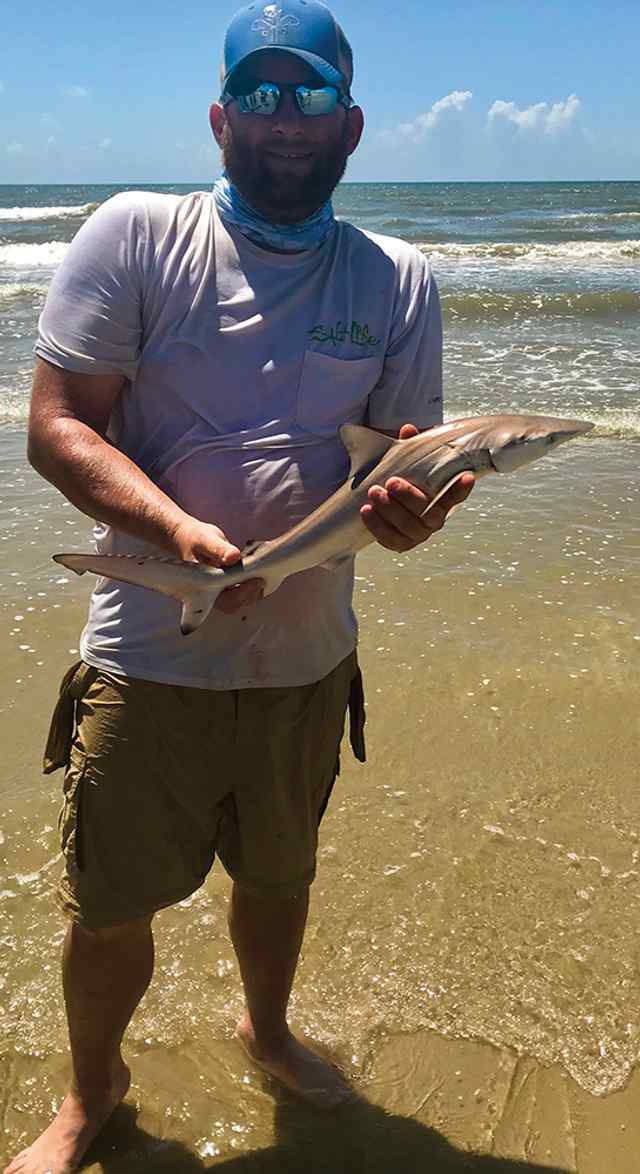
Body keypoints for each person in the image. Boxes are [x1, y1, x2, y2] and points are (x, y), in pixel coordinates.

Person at [6, 2, 473, 1171]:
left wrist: (408, 520)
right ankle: (91, 1092)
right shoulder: (135, 236)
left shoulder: (398, 278)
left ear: (350, 124)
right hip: (147, 653)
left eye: (310, 95)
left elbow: (398, 464)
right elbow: (58, 426)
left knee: (279, 875)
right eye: (259, 95)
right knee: (110, 903)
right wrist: (175, 531)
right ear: (220, 119)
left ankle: (265, 1031)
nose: (284, 119)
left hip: (305, 661)